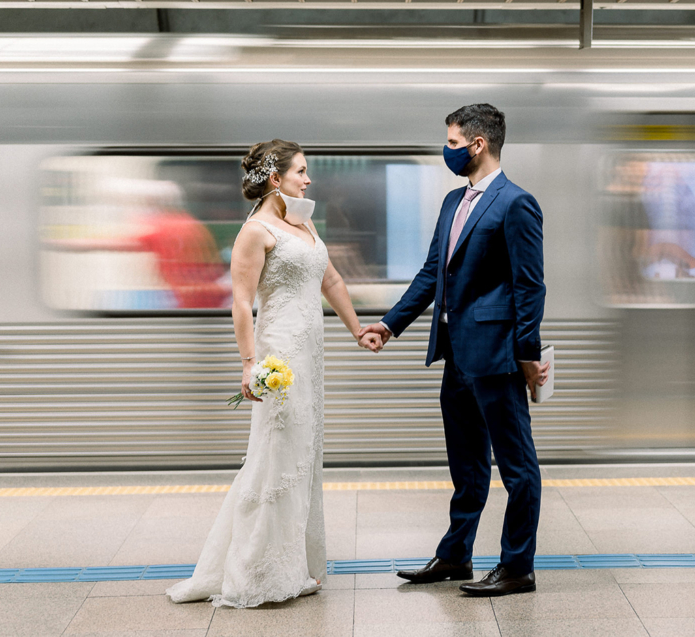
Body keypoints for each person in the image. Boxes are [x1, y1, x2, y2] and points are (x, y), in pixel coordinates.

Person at [166, 139, 381, 608]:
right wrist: (248, 364)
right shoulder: (256, 231)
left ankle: (294, 564)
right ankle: (255, 572)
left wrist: (356, 330)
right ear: (275, 178)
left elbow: (331, 280)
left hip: (312, 357)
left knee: (302, 455)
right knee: (275, 456)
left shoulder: (301, 223)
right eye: (302, 171)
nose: (308, 179)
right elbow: (241, 302)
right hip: (279, 356)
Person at [360, 104, 549, 597]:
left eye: (451, 142)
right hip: (456, 354)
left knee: (517, 467)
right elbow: (432, 273)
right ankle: (455, 556)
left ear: (478, 144)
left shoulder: (516, 203)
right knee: (466, 466)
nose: (448, 150)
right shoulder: (452, 201)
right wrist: (389, 324)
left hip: (498, 355)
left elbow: (530, 287)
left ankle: (517, 566)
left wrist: (526, 353)